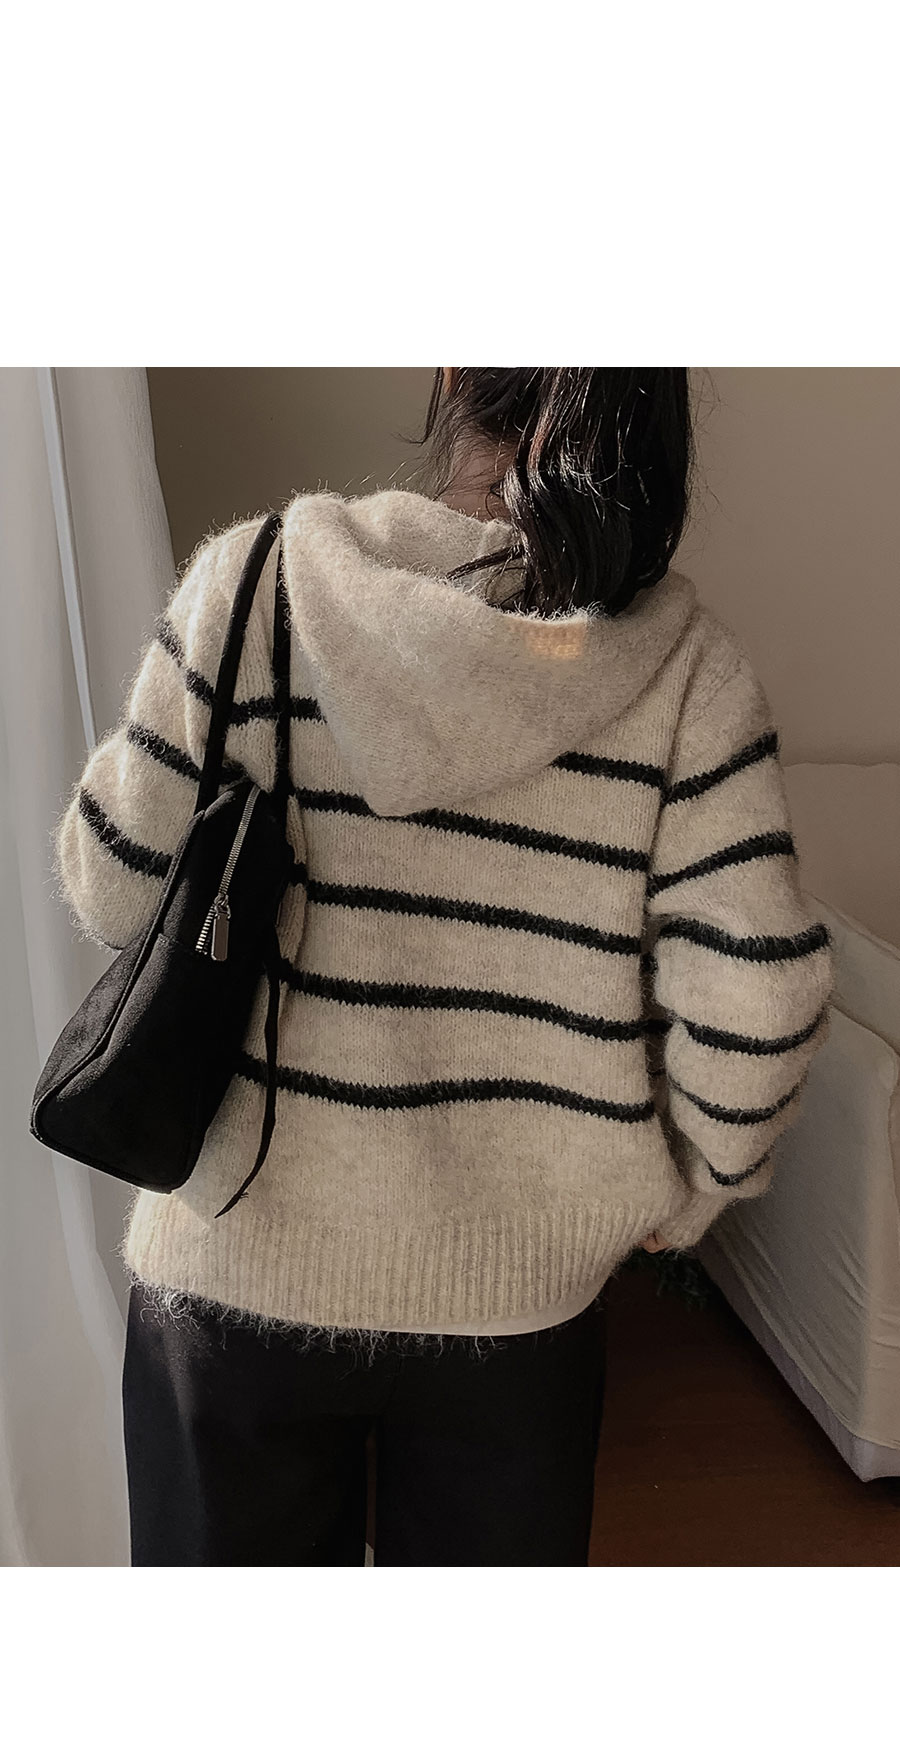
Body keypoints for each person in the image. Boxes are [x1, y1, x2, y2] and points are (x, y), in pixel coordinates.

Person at [52, 367, 834, 1566]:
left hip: (236, 1268)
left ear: (461, 386)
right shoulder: (688, 674)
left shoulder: (252, 586)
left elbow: (112, 885)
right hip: (519, 1308)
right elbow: (760, 998)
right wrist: (693, 1187)